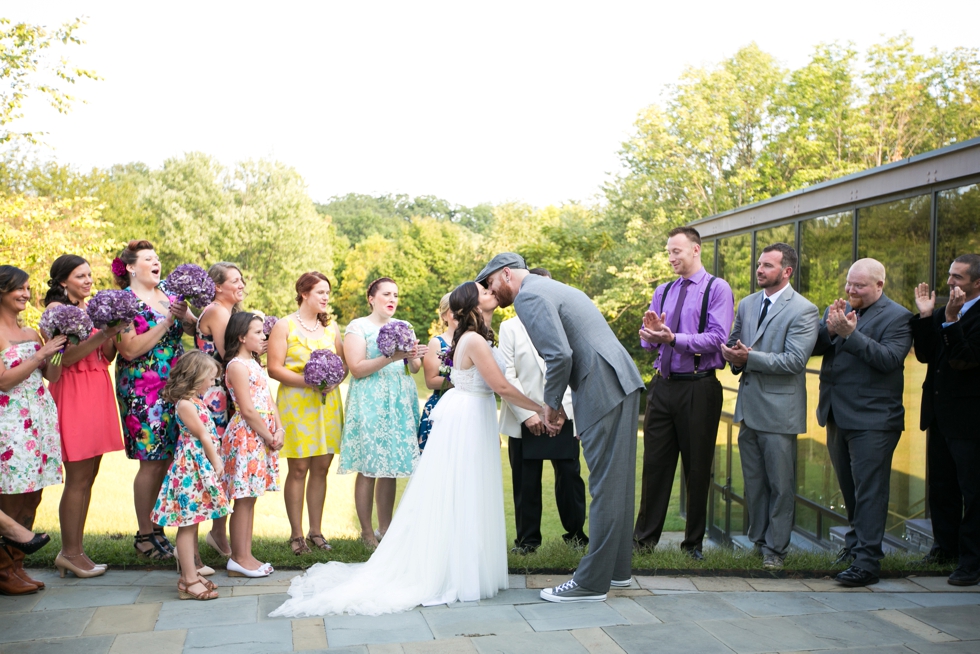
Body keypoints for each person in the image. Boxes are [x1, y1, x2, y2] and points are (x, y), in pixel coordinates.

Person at [271, 281, 549, 617]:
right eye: (484, 291)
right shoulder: (467, 338)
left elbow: (417, 369)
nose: (492, 291)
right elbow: (500, 385)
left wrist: (408, 357)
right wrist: (539, 408)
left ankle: (456, 560)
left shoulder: (472, 336)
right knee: (388, 473)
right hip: (451, 413)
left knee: (457, 487)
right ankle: (376, 535)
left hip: (462, 412)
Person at [478, 253, 645, 603]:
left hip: (603, 387)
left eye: (490, 282)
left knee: (604, 487)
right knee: (618, 484)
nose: (490, 291)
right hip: (619, 383)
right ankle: (617, 571)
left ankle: (590, 583)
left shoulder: (530, 296)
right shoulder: (550, 287)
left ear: (506, 274)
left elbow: (560, 355)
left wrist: (551, 406)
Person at [632, 227, 734, 558]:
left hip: (699, 387)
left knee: (697, 467)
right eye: (669, 252)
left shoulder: (717, 289)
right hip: (662, 387)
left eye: (677, 251)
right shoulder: (663, 291)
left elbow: (717, 337)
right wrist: (649, 333)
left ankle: (693, 545)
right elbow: (649, 342)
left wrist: (672, 337)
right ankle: (643, 543)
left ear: (695, 250)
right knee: (655, 466)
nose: (672, 258)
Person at [813, 258, 912, 587]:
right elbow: (813, 347)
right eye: (848, 283)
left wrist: (851, 335)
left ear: (879, 286)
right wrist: (829, 329)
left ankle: (868, 562)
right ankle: (856, 547)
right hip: (836, 415)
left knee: (870, 491)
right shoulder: (837, 309)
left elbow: (888, 359)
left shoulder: (898, 317)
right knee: (851, 490)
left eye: (859, 285)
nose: (850, 290)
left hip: (874, 420)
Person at [722, 243, 819, 570]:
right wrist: (733, 357)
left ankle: (776, 550)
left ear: (786, 271)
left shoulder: (804, 310)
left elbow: (795, 361)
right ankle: (759, 541)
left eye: (767, 265)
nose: (759, 270)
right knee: (755, 483)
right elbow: (736, 343)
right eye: (759, 265)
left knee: (780, 486)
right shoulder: (748, 304)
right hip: (748, 409)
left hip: (780, 414)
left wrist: (749, 358)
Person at [44, 254, 127, 578]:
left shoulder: (91, 308)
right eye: (81, 275)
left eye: (90, 274)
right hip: (73, 391)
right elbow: (64, 360)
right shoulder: (55, 311)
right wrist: (102, 335)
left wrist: (115, 329)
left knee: (90, 475)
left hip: (96, 386)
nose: (89, 280)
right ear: (63, 281)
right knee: (77, 478)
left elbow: (104, 355)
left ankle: (77, 550)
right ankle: (69, 552)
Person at [113, 240, 194, 560]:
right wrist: (166, 323)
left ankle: (158, 528)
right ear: (131, 267)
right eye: (148, 258)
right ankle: (144, 536)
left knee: (169, 458)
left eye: (157, 258)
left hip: (177, 386)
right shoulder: (124, 301)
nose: (156, 262)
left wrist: (185, 314)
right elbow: (129, 349)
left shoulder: (169, 295)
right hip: (141, 390)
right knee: (151, 460)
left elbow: (194, 328)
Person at [499, 267, 587, 554]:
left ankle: (576, 535)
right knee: (526, 482)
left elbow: (575, 370)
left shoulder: (567, 323)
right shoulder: (510, 327)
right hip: (526, 417)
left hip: (565, 416)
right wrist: (530, 415)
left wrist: (566, 414)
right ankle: (527, 542)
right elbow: (507, 374)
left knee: (570, 478)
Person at [339, 277, 425, 548]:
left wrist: (412, 355)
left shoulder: (404, 326)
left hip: (398, 399)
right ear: (371, 298)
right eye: (386, 294)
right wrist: (391, 357)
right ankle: (365, 532)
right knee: (368, 467)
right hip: (370, 400)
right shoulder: (358, 327)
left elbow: (414, 368)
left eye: (396, 295)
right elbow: (356, 368)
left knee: (390, 468)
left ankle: (384, 529)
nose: (392, 299)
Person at [911, 253, 980, 586]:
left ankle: (972, 561)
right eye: (950, 275)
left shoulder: (970, 315)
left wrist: (951, 322)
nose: (951, 282)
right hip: (938, 417)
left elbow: (963, 361)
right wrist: (927, 316)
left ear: (978, 283)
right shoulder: (944, 311)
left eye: (959, 278)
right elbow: (925, 354)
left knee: (974, 493)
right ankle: (945, 548)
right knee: (941, 488)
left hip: (970, 422)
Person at [268, 272, 346, 555]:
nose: (326, 297)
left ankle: (316, 531)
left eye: (327, 292)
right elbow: (274, 368)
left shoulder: (332, 329)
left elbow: (343, 366)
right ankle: (296, 535)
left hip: (327, 405)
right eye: (320, 292)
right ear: (304, 293)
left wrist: (331, 382)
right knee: (299, 468)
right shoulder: (284, 325)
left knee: (321, 469)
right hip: (297, 404)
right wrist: (310, 381)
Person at [0, 265, 66, 594]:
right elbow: (3, 380)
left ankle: (18, 565)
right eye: (19, 289)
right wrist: (41, 353)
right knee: (12, 493)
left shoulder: (30, 333)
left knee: (33, 493)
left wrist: (57, 349)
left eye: (28, 288)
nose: (27, 294)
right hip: (10, 421)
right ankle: (2, 572)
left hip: (39, 417)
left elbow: (51, 376)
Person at [151, 351, 231, 601]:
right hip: (190, 468)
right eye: (209, 378)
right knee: (186, 524)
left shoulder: (196, 401)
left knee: (194, 521)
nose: (211, 383)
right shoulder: (185, 405)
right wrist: (216, 461)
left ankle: (192, 574)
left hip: (198, 466)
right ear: (195, 376)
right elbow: (203, 435)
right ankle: (188, 579)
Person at [221, 312, 282, 577]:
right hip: (247, 436)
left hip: (262, 434)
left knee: (252, 497)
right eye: (257, 332)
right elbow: (246, 408)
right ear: (241, 337)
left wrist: (278, 428)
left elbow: (268, 400)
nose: (263, 336)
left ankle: (246, 554)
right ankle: (238, 558)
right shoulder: (237, 365)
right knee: (243, 498)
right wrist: (267, 436)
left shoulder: (255, 363)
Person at [196, 261, 246, 558]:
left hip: (224, 393)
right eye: (235, 281)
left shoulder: (227, 312)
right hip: (214, 396)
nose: (241, 285)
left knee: (225, 463)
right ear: (217, 286)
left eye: (242, 280)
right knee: (214, 463)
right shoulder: (216, 311)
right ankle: (209, 534)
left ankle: (218, 533)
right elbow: (228, 354)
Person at [417, 293, 456, 452]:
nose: (460, 314)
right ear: (444, 316)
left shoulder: (474, 340)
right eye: (454, 311)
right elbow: (431, 381)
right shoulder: (437, 343)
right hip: (441, 405)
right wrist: (461, 380)